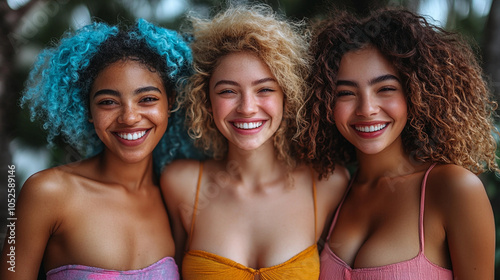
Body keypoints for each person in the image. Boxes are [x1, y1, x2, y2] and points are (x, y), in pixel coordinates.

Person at [299, 8, 498, 280]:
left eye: (385, 89)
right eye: (345, 93)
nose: (366, 109)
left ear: (416, 93)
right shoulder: (334, 190)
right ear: (324, 103)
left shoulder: (453, 189)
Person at [161, 4, 349, 279]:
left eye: (264, 89)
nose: (247, 108)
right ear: (206, 100)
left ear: (288, 95)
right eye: (228, 91)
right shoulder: (182, 185)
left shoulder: (327, 184)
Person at [0, 19, 199, 279]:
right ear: (89, 110)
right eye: (108, 102)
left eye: (147, 99)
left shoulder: (174, 198)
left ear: (170, 102)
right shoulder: (47, 193)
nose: (129, 117)